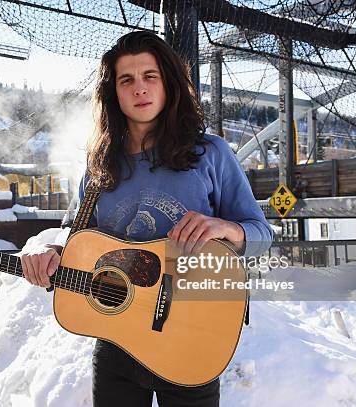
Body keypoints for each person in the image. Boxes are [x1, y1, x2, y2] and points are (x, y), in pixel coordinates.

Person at [20, 30, 273, 407]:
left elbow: (262, 234)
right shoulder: (99, 168)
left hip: (192, 338)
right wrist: (54, 253)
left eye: (149, 76)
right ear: (114, 93)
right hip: (117, 340)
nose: (139, 89)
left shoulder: (210, 153)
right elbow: (83, 244)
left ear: (168, 84)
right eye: (127, 80)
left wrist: (225, 227)